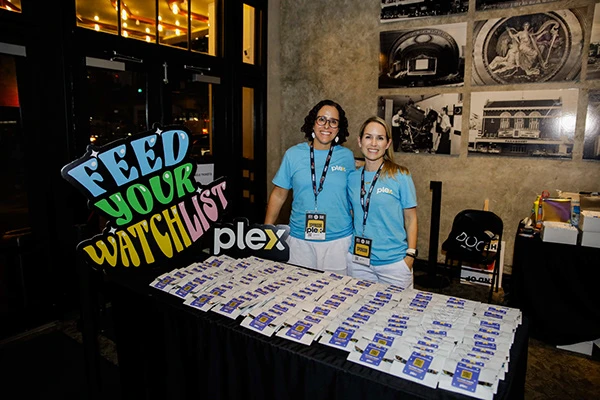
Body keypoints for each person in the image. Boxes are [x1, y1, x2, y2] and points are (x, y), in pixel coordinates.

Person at [264, 99, 354, 273]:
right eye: (322, 119)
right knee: (298, 287)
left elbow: (353, 197)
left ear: (338, 129)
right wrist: (267, 230)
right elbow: (279, 194)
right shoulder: (293, 155)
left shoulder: (347, 157)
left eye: (333, 122)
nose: (326, 126)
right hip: (300, 241)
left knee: (336, 289)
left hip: (339, 241)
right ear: (313, 123)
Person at [346, 116, 418, 288]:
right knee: (358, 304)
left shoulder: (400, 175)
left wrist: (410, 256)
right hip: (358, 261)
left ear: (387, 144)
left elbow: (411, 218)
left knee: (398, 306)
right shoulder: (352, 178)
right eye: (368, 137)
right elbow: (352, 213)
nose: (373, 143)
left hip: (394, 264)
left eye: (380, 138)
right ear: (359, 141)